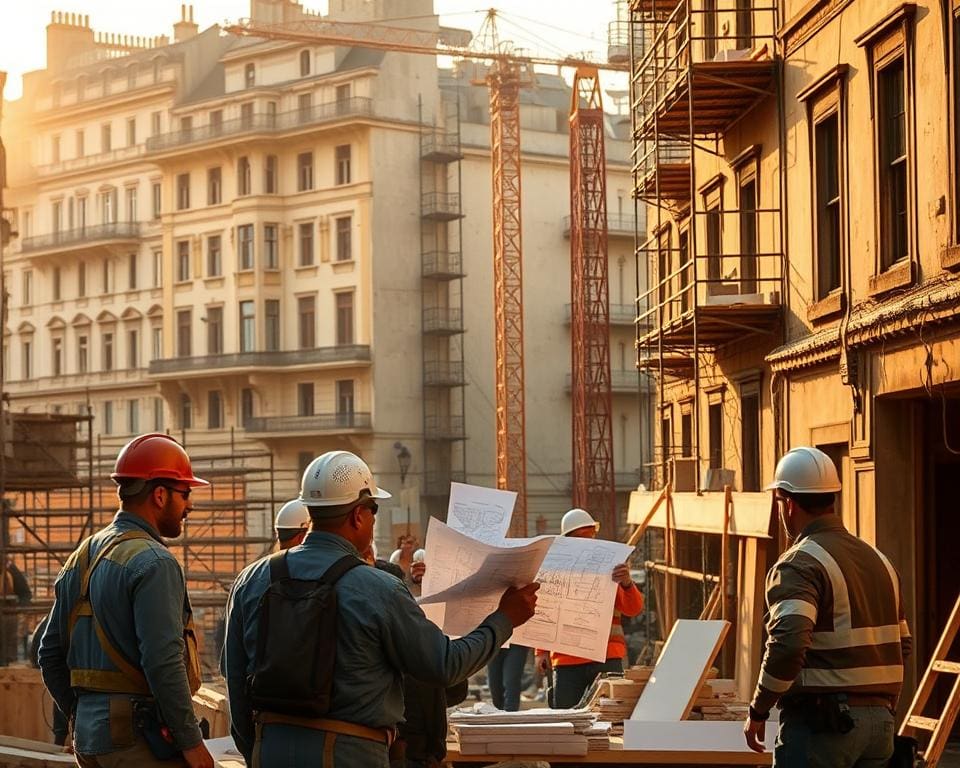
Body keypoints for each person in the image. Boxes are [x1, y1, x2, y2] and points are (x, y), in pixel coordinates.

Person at [222, 450, 539, 767]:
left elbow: (235, 682)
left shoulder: (251, 580)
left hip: (270, 750)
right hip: (351, 755)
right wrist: (504, 618)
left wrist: (258, 751)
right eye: (373, 510)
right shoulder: (377, 588)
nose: (374, 520)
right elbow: (445, 665)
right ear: (358, 515)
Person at [38, 433, 214, 768]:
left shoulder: (81, 556)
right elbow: (163, 662)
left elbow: (48, 654)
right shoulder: (155, 562)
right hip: (138, 743)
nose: (190, 505)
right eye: (185, 493)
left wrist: (81, 715)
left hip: (90, 741)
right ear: (160, 495)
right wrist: (191, 743)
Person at [743, 447, 912, 765]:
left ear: (788, 504)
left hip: (824, 727)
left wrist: (759, 708)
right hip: (880, 727)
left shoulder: (799, 563)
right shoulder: (880, 561)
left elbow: (789, 644)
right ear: (832, 498)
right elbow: (902, 645)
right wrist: (882, 707)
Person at [536, 508, 643, 709]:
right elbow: (546, 610)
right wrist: (541, 651)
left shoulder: (610, 569)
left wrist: (627, 583)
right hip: (567, 658)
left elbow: (633, 609)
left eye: (590, 536)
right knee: (567, 721)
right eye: (581, 537)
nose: (588, 542)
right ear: (568, 541)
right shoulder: (555, 570)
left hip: (606, 657)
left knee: (610, 717)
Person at [487, 644, 530, 711]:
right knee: (494, 685)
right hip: (495, 644)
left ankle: (510, 713)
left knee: (511, 682)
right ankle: (498, 713)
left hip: (516, 644)